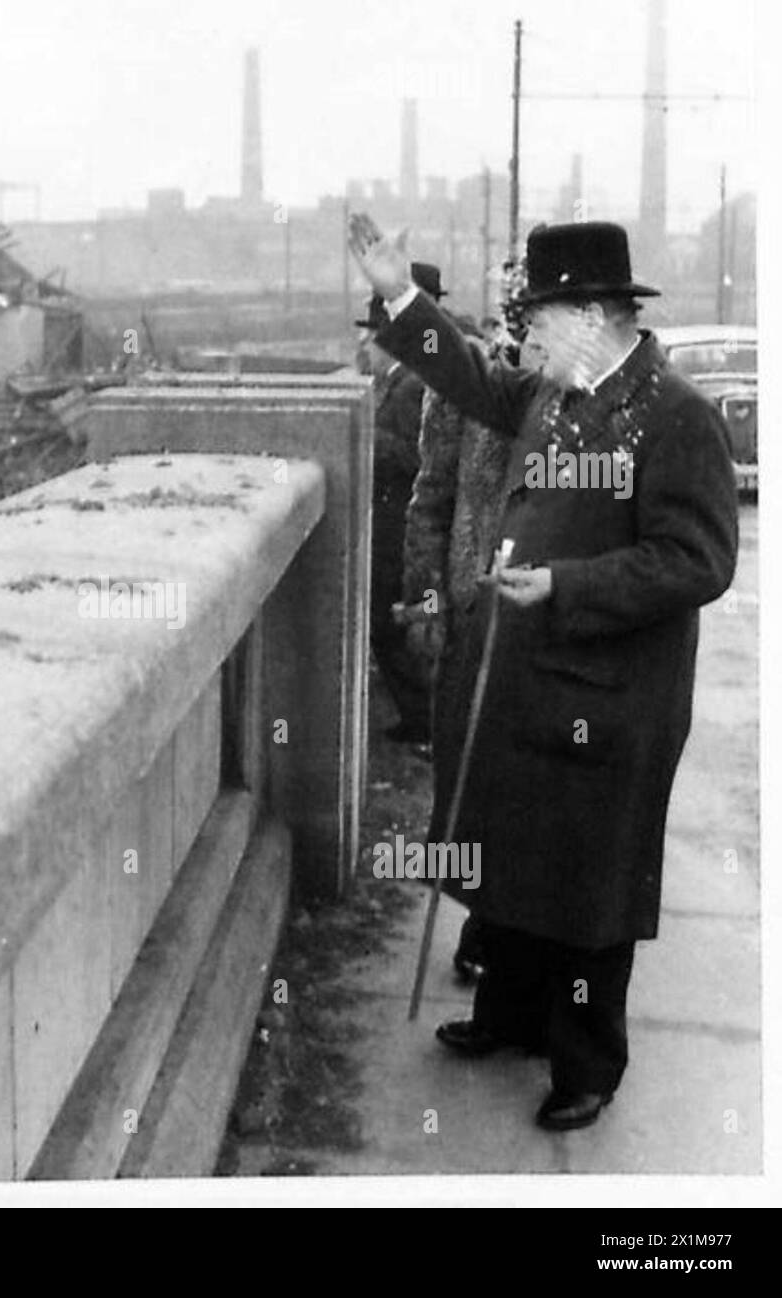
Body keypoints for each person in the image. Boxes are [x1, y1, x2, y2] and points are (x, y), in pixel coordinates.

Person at [348, 215, 738, 1131]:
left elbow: (698, 560)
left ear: (596, 314)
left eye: (542, 313)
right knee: (516, 857)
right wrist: (401, 295)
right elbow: (469, 376)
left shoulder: (676, 417)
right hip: (530, 681)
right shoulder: (554, 395)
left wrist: (566, 585)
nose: (525, 331)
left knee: (587, 887)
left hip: (611, 697)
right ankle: (510, 1018)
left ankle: (585, 1066)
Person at [394, 261, 533, 984]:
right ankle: (483, 925)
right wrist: (427, 605)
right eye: (524, 315)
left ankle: (515, 944)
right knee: (472, 784)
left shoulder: (592, 404)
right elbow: (430, 500)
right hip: (473, 619)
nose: (531, 330)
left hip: (550, 628)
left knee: (534, 793)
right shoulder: (470, 390)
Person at [359, 262, 442, 745]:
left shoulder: (412, 384)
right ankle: (420, 720)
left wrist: (366, 439)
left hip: (399, 527)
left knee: (394, 626)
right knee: (391, 626)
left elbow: (419, 454)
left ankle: (424, 722)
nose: (364, 347)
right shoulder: (400, 381)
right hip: (393, 524)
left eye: (372, 336)